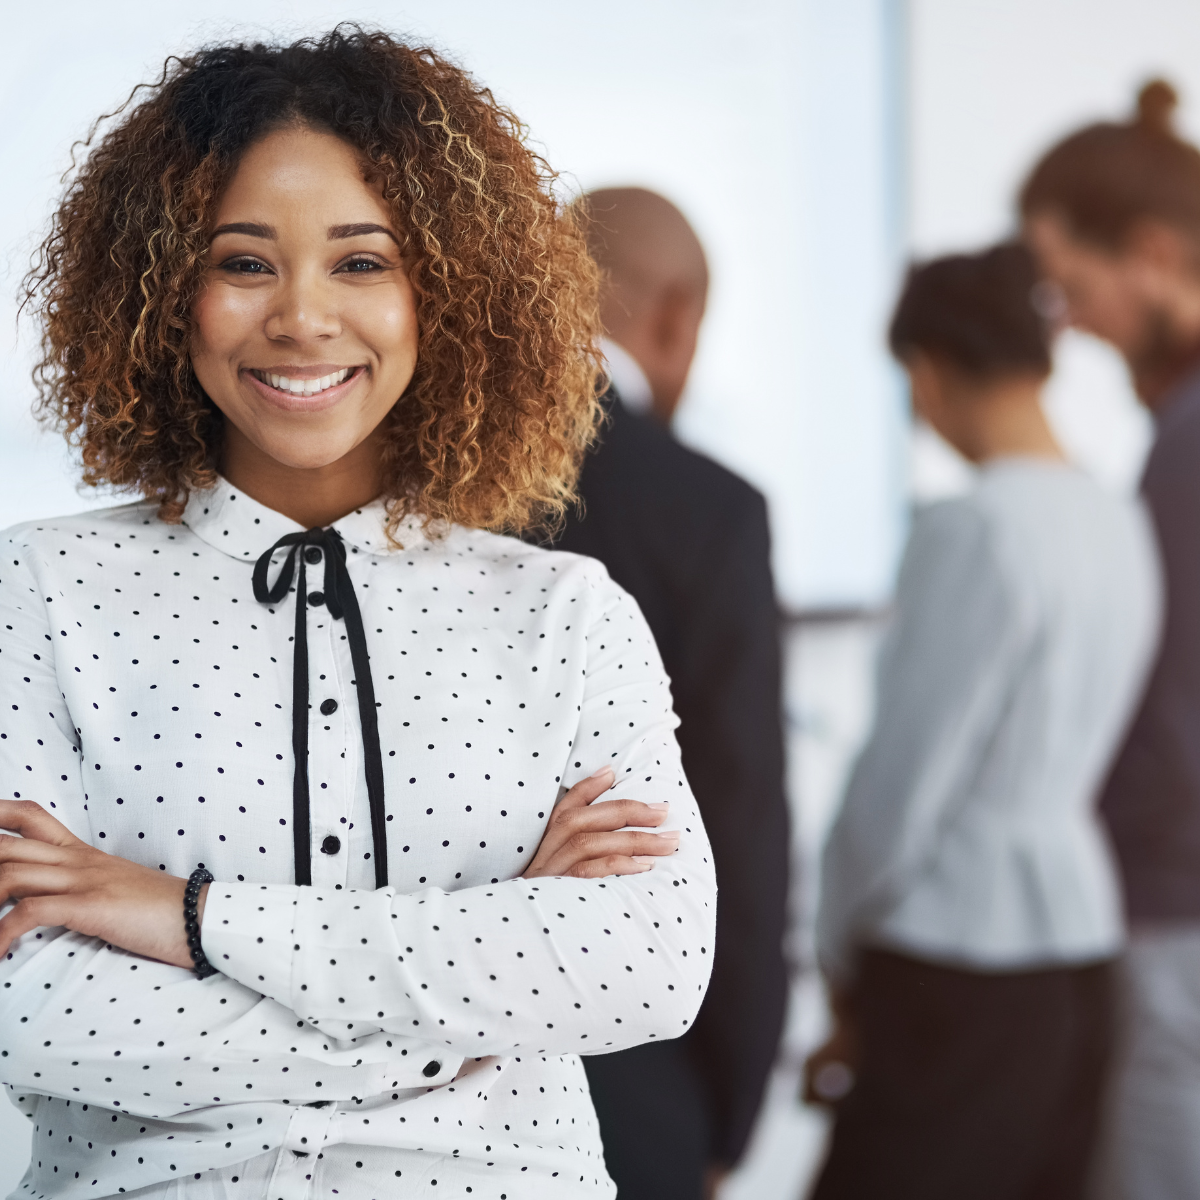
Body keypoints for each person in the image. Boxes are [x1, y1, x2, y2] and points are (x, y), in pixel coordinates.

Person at [0, 29, 717, 1199]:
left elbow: (647, 967)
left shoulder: (565, 613)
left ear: (448, 289)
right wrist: (474, 999)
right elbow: (35, 1014)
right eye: (243, 262)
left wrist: (183, 917)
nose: (300, 318)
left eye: (361, 263)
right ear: (162, 292)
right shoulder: (36, 592)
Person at [806, 243, 1160, 1200]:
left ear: (926, 372)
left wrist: (836, 946)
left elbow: (905, 780)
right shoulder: (1116, 518)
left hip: (954, 959)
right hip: (1078, 948)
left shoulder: (974, 528)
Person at [545, 188, 789, 1200]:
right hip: (637, 1069)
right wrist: (733, 1100)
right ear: (676, 315)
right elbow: (738, 821)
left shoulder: (417, 476)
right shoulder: (711, 512)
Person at [1021, 80, 1200, 1200]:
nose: (1068, 325)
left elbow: (1168, 708)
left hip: (1174, 905)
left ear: (1149, 252)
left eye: (1074, 289)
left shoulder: (1187, 444)